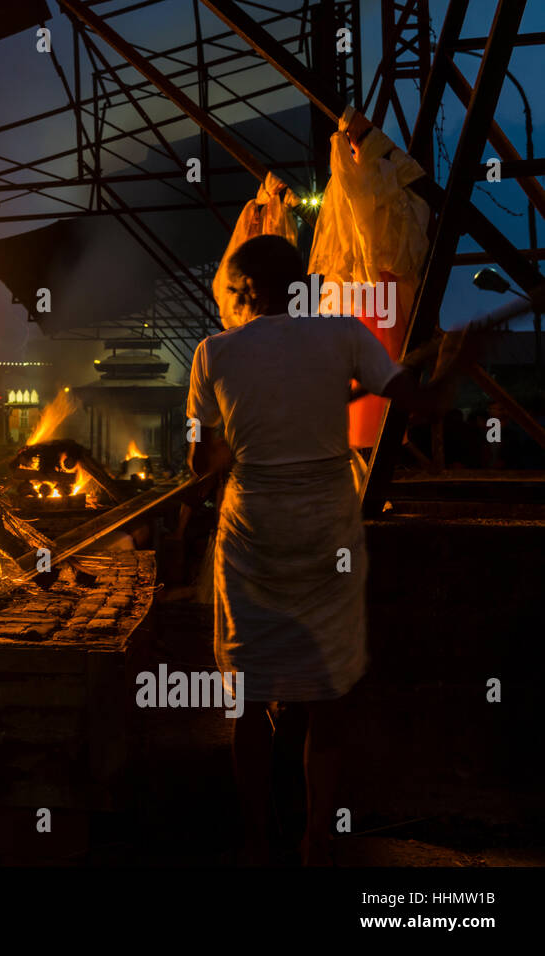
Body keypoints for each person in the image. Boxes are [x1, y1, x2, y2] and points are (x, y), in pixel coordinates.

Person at [186, 234, 475, 866]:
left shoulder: (213, 354)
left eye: (234, 288)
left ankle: (258, 842)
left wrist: (233, 446)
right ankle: (316, 838)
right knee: (328, 698)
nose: (230, 299)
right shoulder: (342, 336)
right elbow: (426, 406)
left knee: (252, 697)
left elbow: (200, 462)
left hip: (254, 534)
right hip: (326, 534)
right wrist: (456, 359)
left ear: (252, 291)